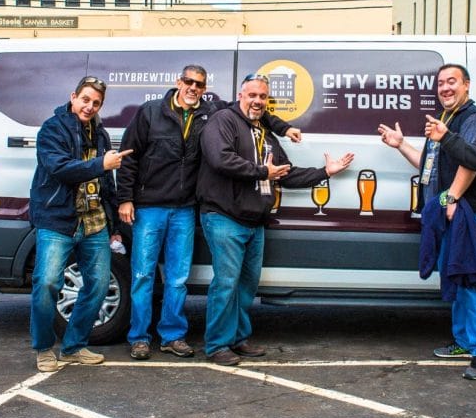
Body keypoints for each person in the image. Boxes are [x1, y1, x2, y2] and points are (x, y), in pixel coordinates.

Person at [116, 65, 300, 361]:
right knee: (142, 274)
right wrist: (125, 198)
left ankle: (172, 336)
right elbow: (128, 157)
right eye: (188, 81)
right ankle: (139, 338)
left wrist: (284, 127)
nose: (193, 88)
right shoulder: (150, 111)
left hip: (186, 208)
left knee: (177, 278)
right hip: (149, 206)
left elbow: (254, 108)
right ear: (178, 82)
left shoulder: (210, 112)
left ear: (205, 88)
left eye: (199, 84)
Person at [196, 74, 354, 366]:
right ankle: (217, 345)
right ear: (241, 95)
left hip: (254, 221)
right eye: (252, 95)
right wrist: (261, 172)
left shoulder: (264, 132)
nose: (258, 101)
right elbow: (220, 159)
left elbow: (285, 173)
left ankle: (238, 339)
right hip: (224, 217)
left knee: (246, 286)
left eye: (263, 97)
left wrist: (325, 172)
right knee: (226, 284)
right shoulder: (223, 121)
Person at [378, 64, 476, 381]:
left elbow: (471, 160)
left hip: (471, 214)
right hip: (452, 212)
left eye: (452, 82)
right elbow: (428, 165)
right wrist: (401, 144)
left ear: (467, 86)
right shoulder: (444, 119)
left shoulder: (473, 119)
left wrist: (452, 198)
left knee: (473, 281)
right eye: (441, 83)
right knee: (457, 279)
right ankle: (462, 341)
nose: (446, 88)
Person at [29, 76, 133, 372]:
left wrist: (113, 224)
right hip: (58, 220)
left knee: (99, 287)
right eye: (85, 99)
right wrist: (101, 164)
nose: (89, 106)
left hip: (94, 221)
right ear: (73, 97)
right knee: (47, 283)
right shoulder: (53, 128)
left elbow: (106, 182)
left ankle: (73, 346)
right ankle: (44, 348)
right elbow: (59, 168)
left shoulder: (99, 133)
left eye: (96, 103)